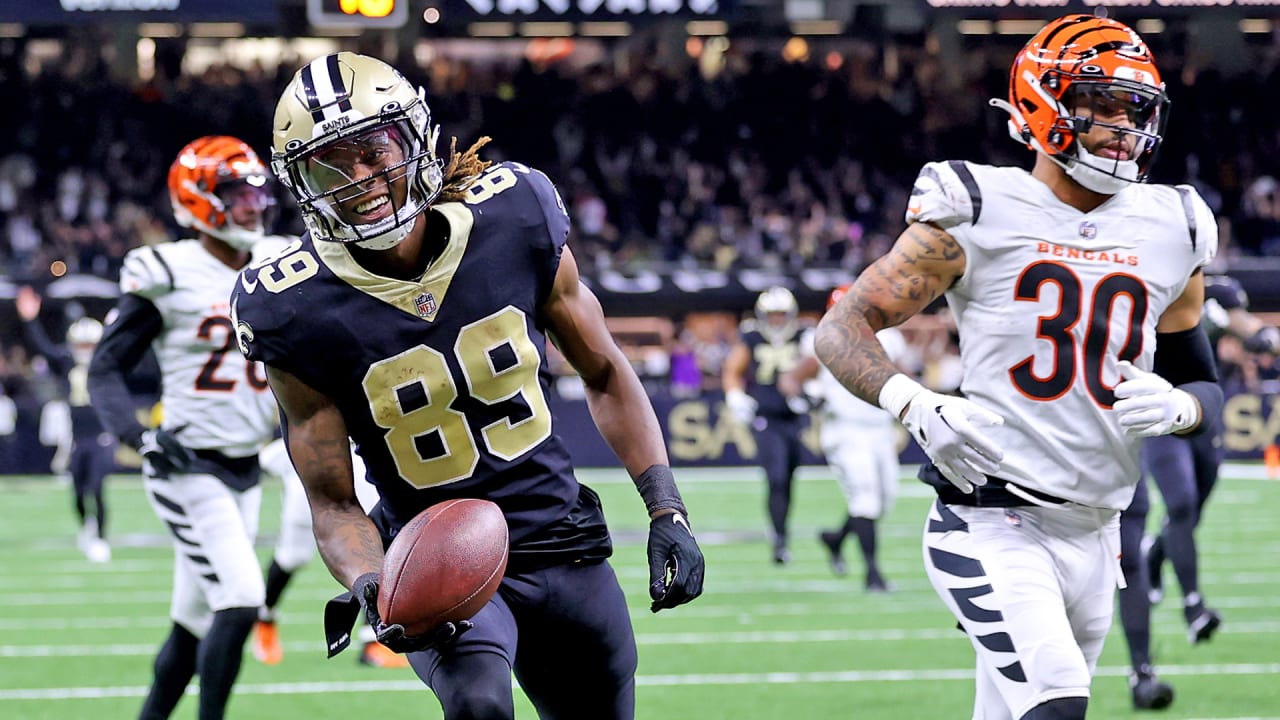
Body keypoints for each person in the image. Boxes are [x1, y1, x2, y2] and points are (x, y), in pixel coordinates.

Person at [231, 52, 704, 720]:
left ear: (416, 134)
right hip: (439, 561)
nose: (360, 178)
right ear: (301, 182)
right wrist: (376, 586)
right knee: (480, 705)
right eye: (331, 164)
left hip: (562, 539)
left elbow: (604, 371)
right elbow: (333, 502)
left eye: (373, 149)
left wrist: (666, 509)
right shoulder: (292, 306)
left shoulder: (514, 216)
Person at [814, 15, 1223, 720]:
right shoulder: (980, 206)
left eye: (1134, 107)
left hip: (1100, 531)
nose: (1122, 126)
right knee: (1058, 700)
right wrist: (914, 403)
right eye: (1100, 104)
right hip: (991, 519)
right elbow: (841, 326)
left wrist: (1183, 410)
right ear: (1044, 104)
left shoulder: (1174, 225)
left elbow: (1204, 383)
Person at [88, 135, 282, 720]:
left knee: (192, 624)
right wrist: (137, 434)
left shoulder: (282, 258)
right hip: (186, 466)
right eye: (233, 191)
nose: (251, 204)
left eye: (254, 189)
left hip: (246, 467)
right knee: (244, 598)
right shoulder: (168, 269)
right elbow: (106, 368)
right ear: (198, 199)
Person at [781, 284, 903, 590]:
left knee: (884, 500)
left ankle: (836, 538)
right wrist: (807, 400)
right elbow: (791, 378)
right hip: (845, 430)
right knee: (866, 498)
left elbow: (902, 376)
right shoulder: (822, 341)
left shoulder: (887, 339)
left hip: (879, 429)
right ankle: (873, 573)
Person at [251, 436, 407, 668]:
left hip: (358, 456)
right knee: (292, 558)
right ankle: (266, 619)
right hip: (313, 460)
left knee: (376, 553)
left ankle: (373, 641)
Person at [16, 286, 115, 562]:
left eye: (89, 345)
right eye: (80, 344)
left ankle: (101, 538)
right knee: (78, 493)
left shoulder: (105, 363)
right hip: (77, 438)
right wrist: (30, 319)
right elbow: (42, 348)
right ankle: (87, 526)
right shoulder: (66, 362)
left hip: (101, 436)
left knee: (97, 487)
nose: (84, 350)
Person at [722, 286, 809, 564]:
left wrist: (811, 392)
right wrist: (735, 395)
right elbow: (733, 370)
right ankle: (779, 540)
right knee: (777, 476)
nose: (776, 320)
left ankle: (781, 532)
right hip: (766, 417)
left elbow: (818, 366)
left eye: (781, 314)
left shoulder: (804, 336)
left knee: (789, 479)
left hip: (794, 418)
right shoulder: (752, 337)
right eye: (772, 315)